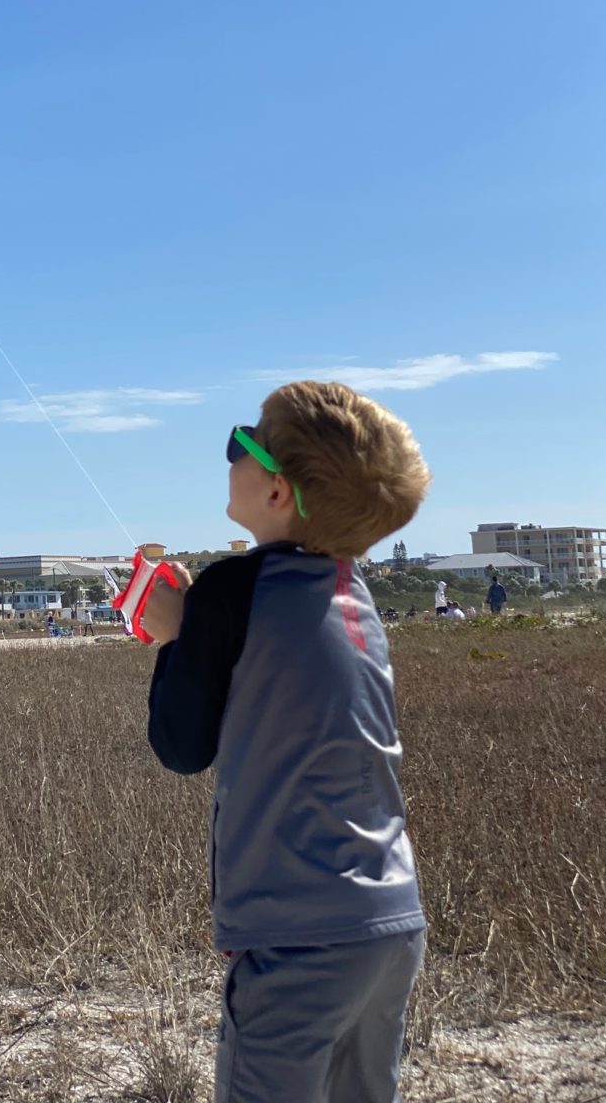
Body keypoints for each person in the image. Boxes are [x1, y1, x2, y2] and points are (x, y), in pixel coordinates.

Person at [143, 381, 430, 1103]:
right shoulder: (354, 590)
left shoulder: (228, 591)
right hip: (391, 925)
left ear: (278, 493)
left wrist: (173, 635)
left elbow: (180, 746)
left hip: (296, 936)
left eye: (244, 441)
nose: (231, 451)